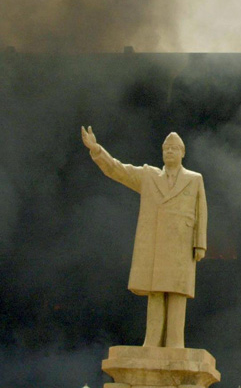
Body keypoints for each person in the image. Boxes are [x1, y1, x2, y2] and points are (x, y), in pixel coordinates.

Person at [81, 127, 207, 348]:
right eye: (166, 148)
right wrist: (96, 150)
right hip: (156, 243)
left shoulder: (194, 179)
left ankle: (175, 342)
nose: (169, 152)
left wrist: (200, 244)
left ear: (182, 152)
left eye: (174, 148)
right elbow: (117, 170)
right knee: (156, 292)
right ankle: (152, 340)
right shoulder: (149, 176)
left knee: (177, 293)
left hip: (181, 244)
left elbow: (201, 212)